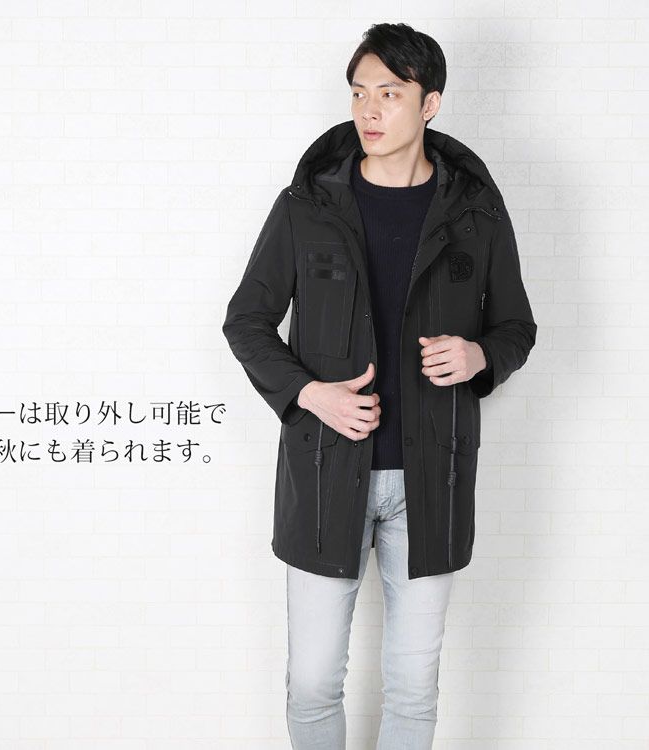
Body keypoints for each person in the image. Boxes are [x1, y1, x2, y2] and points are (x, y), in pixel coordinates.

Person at [222, 21, 536, 750]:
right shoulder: (306, 206)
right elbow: (247, 322)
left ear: (430, 104)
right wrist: (312, 394)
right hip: (326, 472)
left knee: (413, 687)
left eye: (389, 94)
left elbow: (516, 327)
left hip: (433, 478)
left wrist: (478, 355)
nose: (369, 109)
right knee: (311, 683)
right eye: (359, 92)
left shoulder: (477, 214)